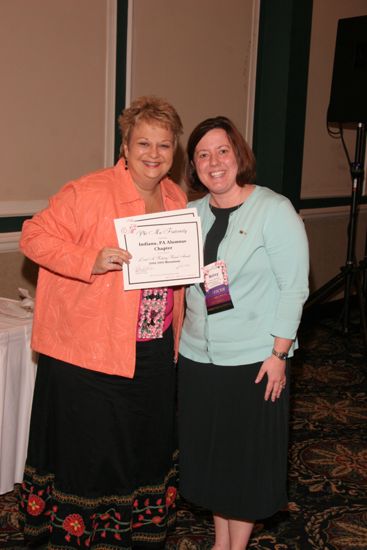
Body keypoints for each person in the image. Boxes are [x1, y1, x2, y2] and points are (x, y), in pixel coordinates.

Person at [18, 96, 187, 549]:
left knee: (145, 452)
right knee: (94, 457)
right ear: (126, 146)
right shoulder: (89, 191)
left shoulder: (175, 196)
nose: (154, 154)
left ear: (175, 151)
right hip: (89, 355)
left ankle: (133, 536)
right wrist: (89, 259)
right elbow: (32, 236)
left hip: (152, 350)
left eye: (164, 145)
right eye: (144, 143)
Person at [178, 116, 309, 549]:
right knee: (216, 458)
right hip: (199, 358)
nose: (213, 162)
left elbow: (294, 287)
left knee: (243, 461)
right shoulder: (190, 214)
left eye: (222, 151)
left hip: (254, 361)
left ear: (239, 156)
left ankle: (236, 547)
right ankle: (222, 543)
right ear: (193, 165)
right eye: (202, 154)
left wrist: (279, 354)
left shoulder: (273, 209)